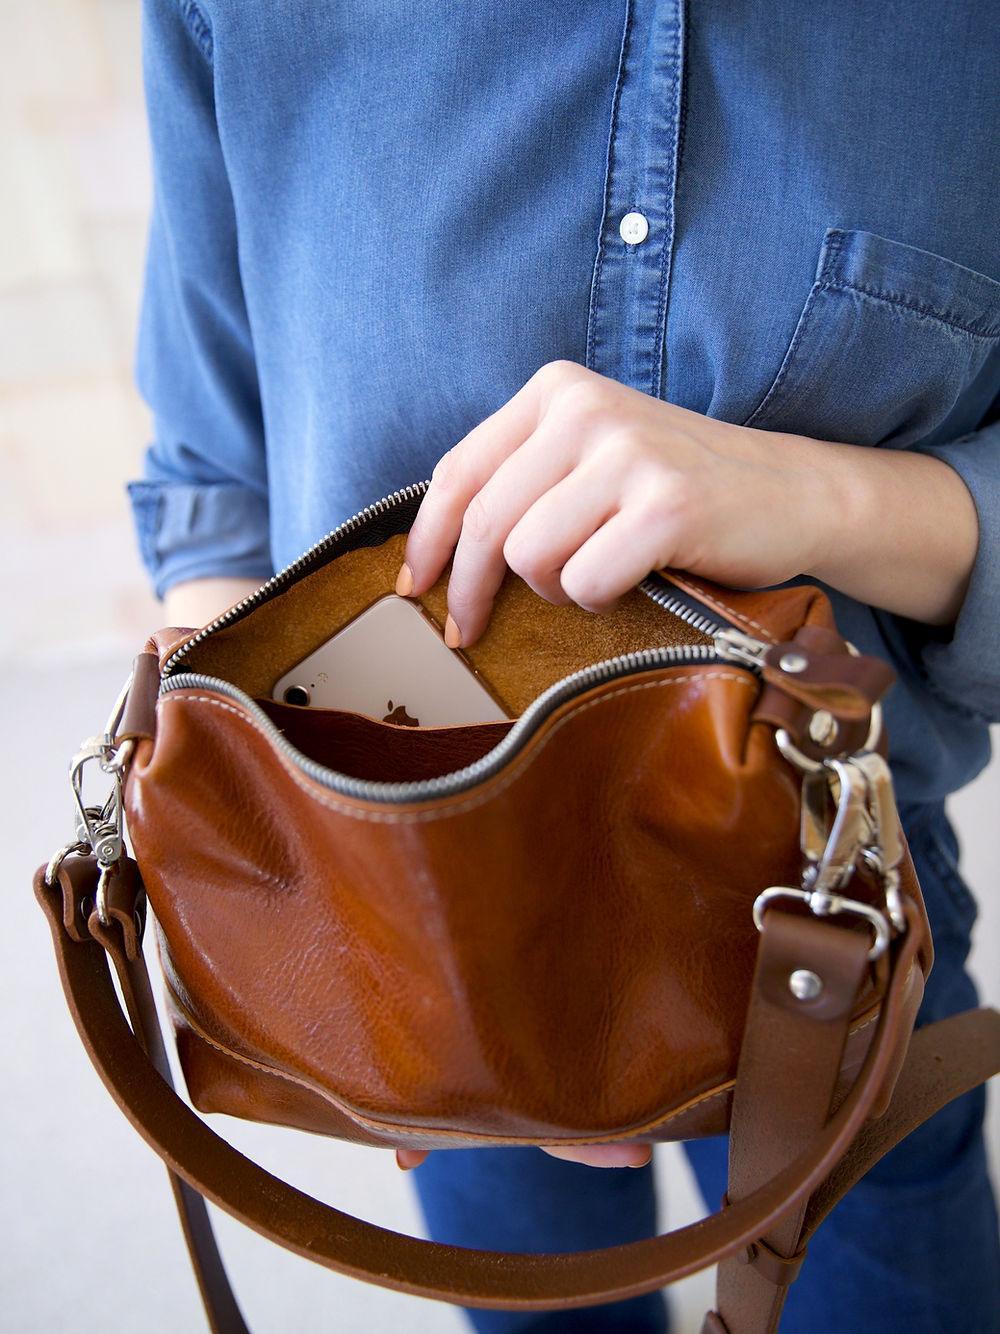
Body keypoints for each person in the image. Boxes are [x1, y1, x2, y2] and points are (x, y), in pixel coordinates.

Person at [127, 2, 1000, 1329]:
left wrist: (810, 495)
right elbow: (216, 473)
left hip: (830, 886)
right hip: (396, 889)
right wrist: (309, 881)